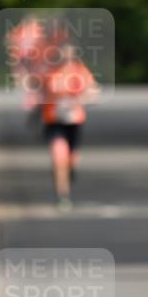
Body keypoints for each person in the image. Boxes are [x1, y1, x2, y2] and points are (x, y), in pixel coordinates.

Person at [40, 42, 99, 211]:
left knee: (70, 160)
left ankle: (69, 171)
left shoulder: (80, 71)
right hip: (54, 122)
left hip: (73, 122)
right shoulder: (48, 73)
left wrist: (78, 101)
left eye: (69, 53)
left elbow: (93, 92)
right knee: (59, 157)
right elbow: (39, 95)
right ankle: (62, 195)